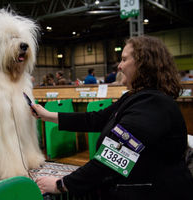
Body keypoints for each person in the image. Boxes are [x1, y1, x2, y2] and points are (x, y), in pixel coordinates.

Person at [31, 36, 193, 199]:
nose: (119, 66)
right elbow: (95, 119)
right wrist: (47, 115)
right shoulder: (135, 97)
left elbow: (114, 158)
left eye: (124, 59)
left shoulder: (152, 105)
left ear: (144, 64)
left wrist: (61, 184)